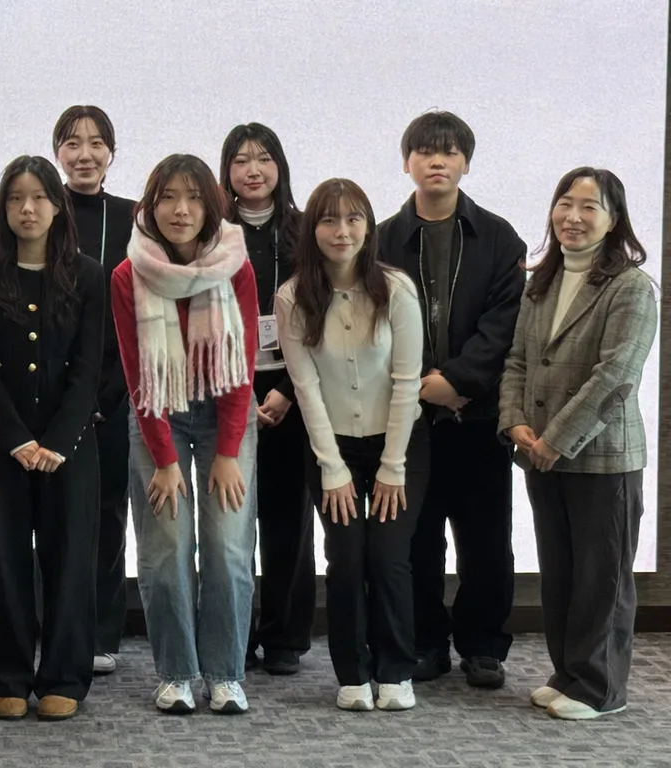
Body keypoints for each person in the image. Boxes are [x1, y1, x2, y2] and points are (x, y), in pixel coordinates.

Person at [499, 168, 657, 720]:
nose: (573, 217)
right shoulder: (540, 281)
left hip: (602, 457)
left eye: (590, 207)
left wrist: (557, 440)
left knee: (602, 577)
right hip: (540, 452)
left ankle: (600, 688)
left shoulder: (631, 287)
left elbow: (616, 377)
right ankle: (568, 673)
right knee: (562, 572)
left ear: (614, 220)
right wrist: (515, 422)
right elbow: (517, 360)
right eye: (565, 203)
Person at [378, 110, 525, 689]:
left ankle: (483, 645)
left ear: (466, 162)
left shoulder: (499, 237)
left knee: (486, 540)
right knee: (416, 538)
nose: (436, 161)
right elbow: (374, 322)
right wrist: (421, 384)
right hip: (408, 418)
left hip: (478, 415)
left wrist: (459, 381)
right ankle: (425, 643)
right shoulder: (382, 239)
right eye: (424, 151)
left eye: (449, 152)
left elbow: (504, 323)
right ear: (407, 162)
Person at [113, 154, 258, 714]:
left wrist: (229, 451)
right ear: (150, 206)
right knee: (166, 547)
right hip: (159, 412)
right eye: (169, 197)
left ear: (211, 207)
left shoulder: (235, 265)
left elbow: (242, 366)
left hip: (227, 413)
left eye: (194, 198)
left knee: (228, 546)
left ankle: (225, 674)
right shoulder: (128, 273)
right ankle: (176, 673)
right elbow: (137, 375)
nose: (181, 210)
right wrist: (165, 459)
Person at [0, 155, 105, 721]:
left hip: (72, 447)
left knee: (71, 562)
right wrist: (17, 438)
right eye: (16, 198)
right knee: (3, 563)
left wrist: (59, 441)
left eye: (39, 197)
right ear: (3, 207)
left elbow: (88, 370)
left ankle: (64, 676)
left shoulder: (88, 275)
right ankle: (8, 677)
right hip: (2, 446)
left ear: (57, 206)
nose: (28, 208)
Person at [275, 178, 426, 712]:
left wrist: (393, 465)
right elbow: (306, 388)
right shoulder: (292, 297)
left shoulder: (397, 289)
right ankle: (353, 673)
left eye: (354, 219)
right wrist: (332, 467)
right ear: (311, 229)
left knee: (388, 557)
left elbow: (407, 382)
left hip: (399, 445)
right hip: (331, 446)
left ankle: (396, 671)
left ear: (368, 226)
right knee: (344, 557)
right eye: (329, 220)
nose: (342, 231)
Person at [219, 122, 314, 676]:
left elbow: (325, 314)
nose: (252, 170)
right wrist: (236, 394)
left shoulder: (307, 230)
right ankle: (235, 631)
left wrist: (287, 393)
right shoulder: (213, 233)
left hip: (295, 384)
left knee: (288, 519)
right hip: (229, 386)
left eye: (263, 158)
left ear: (280, 165)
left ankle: (284, 637)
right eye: (240, 160)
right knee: (230, 519)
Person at [51, 105, 136, 676]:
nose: (85, 154)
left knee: (108, 513)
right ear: (57, 152)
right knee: (55, 516)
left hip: (117, 386)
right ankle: (57, 626)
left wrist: (112, 388)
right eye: (72, 143)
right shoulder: (40, 207)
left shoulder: (134, 216)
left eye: (96, 143)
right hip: (53, 389)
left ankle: (104, 630)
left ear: (111, 152)